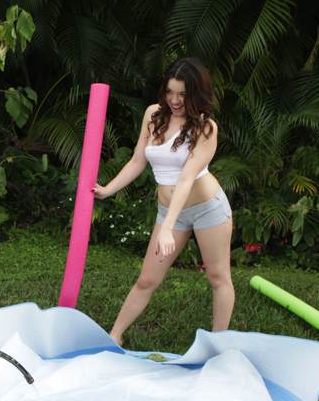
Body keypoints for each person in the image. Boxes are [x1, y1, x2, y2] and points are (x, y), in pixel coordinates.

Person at [93, 58, 234, 345]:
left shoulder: (206, 128)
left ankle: (218, 345)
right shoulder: (153, 115)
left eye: (182, 94)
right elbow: (137, 160)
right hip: (170, 211)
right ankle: (114, 336)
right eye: (170, 92)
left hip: (207, 209)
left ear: (196, 94)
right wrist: (107, 190)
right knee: (147, 279)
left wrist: (167, 228)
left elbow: (186, 178)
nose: (174, 100)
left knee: (218, 277)